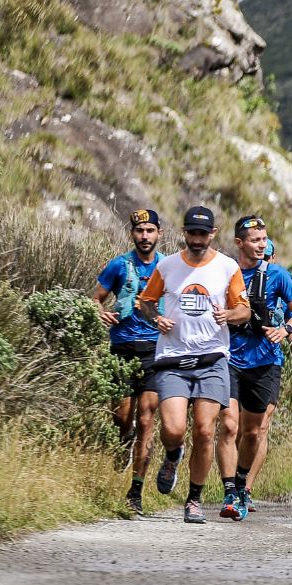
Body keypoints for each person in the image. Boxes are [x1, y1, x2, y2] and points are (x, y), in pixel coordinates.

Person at [139, 206, 250, 524]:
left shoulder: (228, 267)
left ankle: (194, 499)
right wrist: (155, 317)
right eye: (192, 233)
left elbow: (244, 310)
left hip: (212, 359)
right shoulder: (168, 266)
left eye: (203, 233)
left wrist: (227, 315)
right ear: (184, 233)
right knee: (173, 430)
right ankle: (174, 455)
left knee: (204, 431)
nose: (197, 239)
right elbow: (146, 301)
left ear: (212, 234)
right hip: (172, 359)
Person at [221, 215, 292, 519]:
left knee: (254, 431)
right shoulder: (223, 272)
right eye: (255, 240)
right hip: (228, 358)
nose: (261, 245)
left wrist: (285, 331)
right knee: (230, 425)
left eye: (264, 240)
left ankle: (243, 484)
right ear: (239, 243)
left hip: (266, 361)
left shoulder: (278, 275)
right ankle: (230, 491)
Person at [93, 209, 164, 515]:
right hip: (121, 348)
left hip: (155, 352)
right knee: (123, 417)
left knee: (147, 420)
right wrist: (100, 312)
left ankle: (135, 491)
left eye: (150, 230)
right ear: (132, 233)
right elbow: (95, 297)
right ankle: (125, 438)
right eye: (139, 231)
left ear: (159, 233)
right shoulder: (119, 265)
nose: (144, 236)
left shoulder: (169, 267)